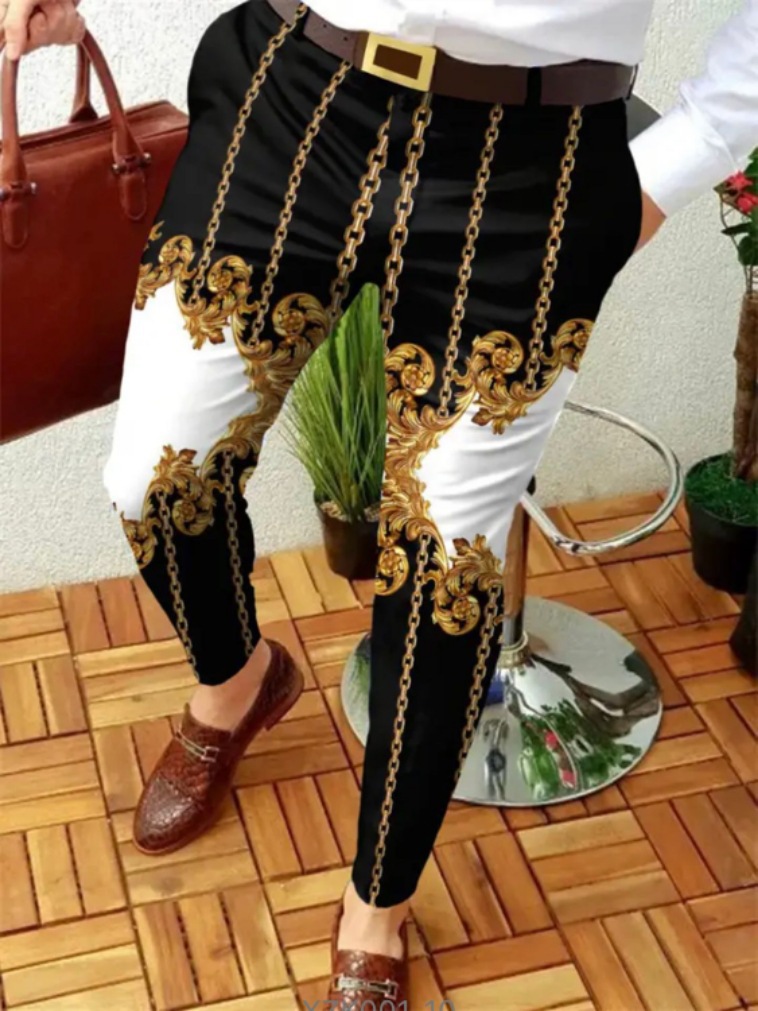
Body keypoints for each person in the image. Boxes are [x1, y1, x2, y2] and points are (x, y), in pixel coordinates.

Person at [3, 0, 756, 1006]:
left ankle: (377, 906)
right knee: (154, 475)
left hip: (534, 160)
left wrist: (678, 156)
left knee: (445, 566)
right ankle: (238, 681)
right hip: (298, 90)